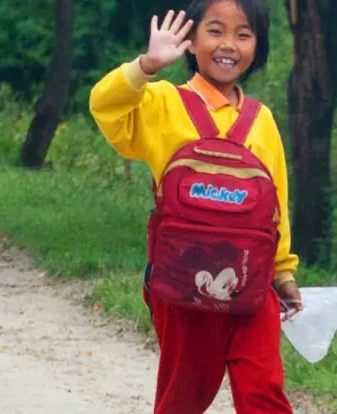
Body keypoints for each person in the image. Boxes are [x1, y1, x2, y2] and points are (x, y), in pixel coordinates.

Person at [87, 1, 302, 413]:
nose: (229, 44)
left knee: (263, 390)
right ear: (191, 40)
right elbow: (104, 105)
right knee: (184, 396)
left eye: (243, 34)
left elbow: (277, 205)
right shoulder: (162, 103)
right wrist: (146, 66)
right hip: (182, 287)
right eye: (215, 31)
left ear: (257, 46)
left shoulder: (262, 120)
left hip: (252, 284)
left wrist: (283, 271)